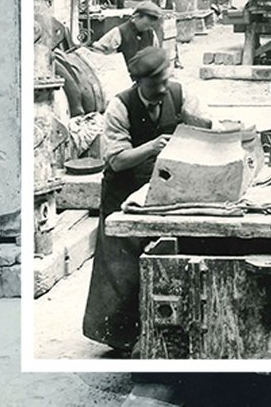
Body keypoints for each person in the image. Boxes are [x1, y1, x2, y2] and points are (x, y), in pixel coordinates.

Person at [83, 48, 211, 354]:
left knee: (171, 259)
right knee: (121, 268)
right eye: (156, 84)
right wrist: (151, 147)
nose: (164, 89)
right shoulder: (120, 106)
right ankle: (120, 338)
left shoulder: (180, 95)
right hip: (124, 189)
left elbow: (206, 130)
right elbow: (115, 160)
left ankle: (172, 332)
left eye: (166, 80)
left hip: (168, 190)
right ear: (139, 82)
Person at [92, 1, 163, 72]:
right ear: (136, 16)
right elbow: (98, 50)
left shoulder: (151, 34)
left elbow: (156, 54)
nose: (147, 28)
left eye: (150, 26)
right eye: (145, 25)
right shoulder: (119, 32)